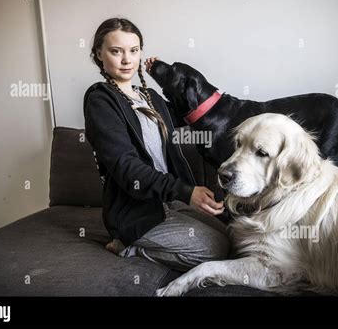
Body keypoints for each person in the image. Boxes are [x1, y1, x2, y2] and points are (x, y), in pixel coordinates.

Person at [83, 18, 229, 272]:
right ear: (99, 53)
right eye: (116, 51)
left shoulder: (149, 98)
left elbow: (189, 115)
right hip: (137, 212)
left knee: (232, 236)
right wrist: (185, 191)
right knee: (215, 250)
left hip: (169, 203)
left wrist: (166, 77)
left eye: (134, 50)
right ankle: (129, 246)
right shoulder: (100, 101)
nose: (127, 60)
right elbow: (125, 167)